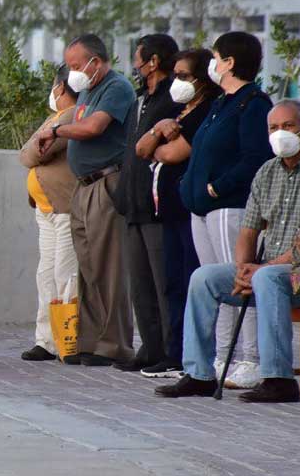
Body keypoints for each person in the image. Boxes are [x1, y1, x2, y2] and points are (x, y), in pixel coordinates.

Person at [156, 100, 300, 403]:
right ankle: (199, 374)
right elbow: (248, 229)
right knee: (204, 278)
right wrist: (243, 268)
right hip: (269, 271)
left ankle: (279, 379)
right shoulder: (267, 172)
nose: (280, 134)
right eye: (273, 128)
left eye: (288, 126)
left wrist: (259, 271)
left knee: (267, 278)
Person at [176, 31, 273, 389]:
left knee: (239, 280)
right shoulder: (222, 102)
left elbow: (254, 157)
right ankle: (220, 357)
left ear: (230, 62)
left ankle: (250, 358)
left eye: (216, 58)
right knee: (211, 283)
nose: (213, 65)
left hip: (230, 207)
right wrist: (188, 185)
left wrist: (217, 186)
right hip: (201, 208)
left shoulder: (253, 103)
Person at [36, 34, 135, 366]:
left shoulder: (116, 88)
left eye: (77, 65)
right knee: (89, 270)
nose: (73, 72)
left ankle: (115, 344)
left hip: (106, 183)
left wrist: (57, 131)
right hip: (83, 186)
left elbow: (93, 127)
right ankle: (90, 341)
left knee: (109, 268)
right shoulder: (89, 89)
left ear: (96, 61)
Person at [134, 49, 220, 377]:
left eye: (185, 76)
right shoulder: (179, 112)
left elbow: (174, 153)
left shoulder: (205, 112)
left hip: (189, 212)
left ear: (202, 80)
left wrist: (158, 144)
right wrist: (158, 130)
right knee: (171, 283)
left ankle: (190, 355)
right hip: (165, 211)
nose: (178, 82)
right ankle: (174, 353)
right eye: (177, 75)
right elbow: (142, 149)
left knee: (189, 281)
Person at [112, 34, 181, 373]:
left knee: (163, 281)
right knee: (139, 283)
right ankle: (149, 348)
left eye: (138, 59)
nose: (135, 66)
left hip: (158, 205)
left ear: (153, 62)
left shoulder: (173, 99)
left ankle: (171, 351)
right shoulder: (141, 99)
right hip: (132, 203)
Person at [17, 64, 79, 361]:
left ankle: (67, 339)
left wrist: (36, 146)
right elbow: (25, 153)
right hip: (46, 210)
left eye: (55, 84)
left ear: (63, 87)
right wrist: (34, 146)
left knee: (65, 274)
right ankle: (46, 340)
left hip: (64, 208)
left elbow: (34, 153)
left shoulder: (71, 116)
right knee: (46, 274)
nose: (53, 90)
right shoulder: (54, 118)